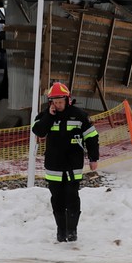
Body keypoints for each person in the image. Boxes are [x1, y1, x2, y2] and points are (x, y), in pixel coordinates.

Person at [31, 82, 99, 242]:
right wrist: (50, 115)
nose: (58, 105)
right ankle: (61, 231)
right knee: (57, 199)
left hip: (73, 166)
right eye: (55, 102)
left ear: (68, 99)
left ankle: (72, 230)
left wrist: (93, 157)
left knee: (72, 197)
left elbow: (92, 136)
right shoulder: (45, 116)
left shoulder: (80, 115)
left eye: (61, 101)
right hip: (54, 166)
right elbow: (38, 130)